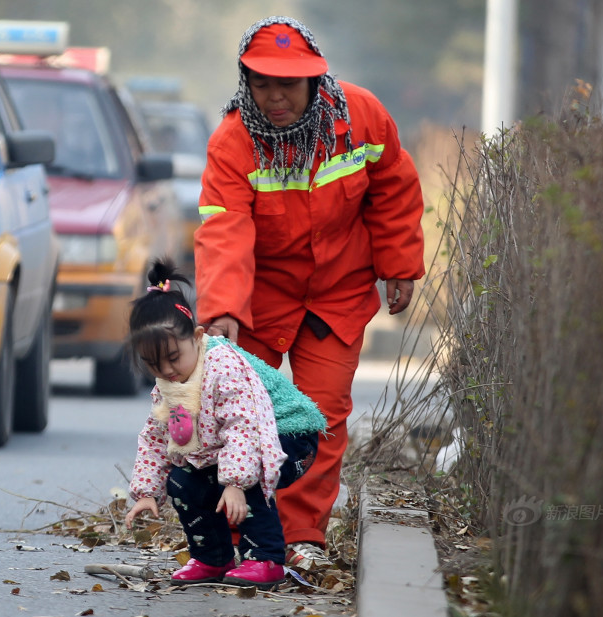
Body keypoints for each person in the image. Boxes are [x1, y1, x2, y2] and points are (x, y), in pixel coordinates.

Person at [193, 16, 426, 570]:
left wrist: (399, 265)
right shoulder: (233, 141)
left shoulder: (361, 117)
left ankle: (301, 537)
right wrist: (223, 308)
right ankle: (237, 533)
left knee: (320, 417)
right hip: (261, 297)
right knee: (239, 415)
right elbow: (223, 225)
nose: (275, 98)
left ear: (315, 83)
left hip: (336, 295)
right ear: (245, 83)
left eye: (288, 85)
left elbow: (394, 186)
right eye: (262, 85)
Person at [123, 259, 325, 589]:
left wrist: (234, 481)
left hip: (290, 436)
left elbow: (243, 426)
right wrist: (147, 492)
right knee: (183, 481)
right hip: (239, 446)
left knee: (246, 472)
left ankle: (266, 558)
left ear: (198, 337)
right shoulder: (169, 384)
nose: (168, 371)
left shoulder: (222, 365)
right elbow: (158, 437)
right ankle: (211, 558)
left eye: (174, 358)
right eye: (153, 364)